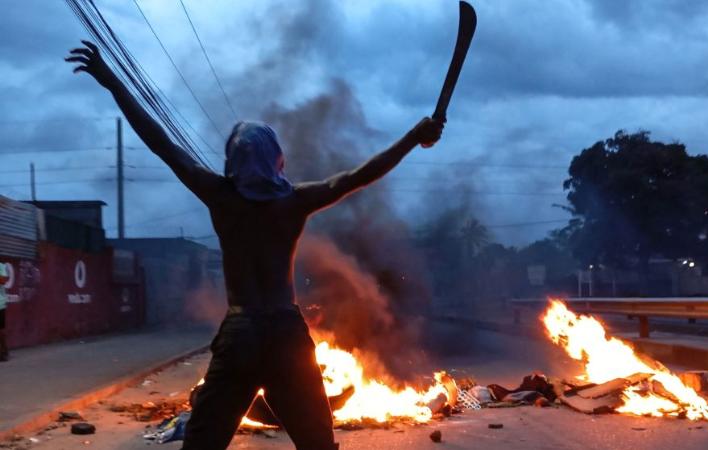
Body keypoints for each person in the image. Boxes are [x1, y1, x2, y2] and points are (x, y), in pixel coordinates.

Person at [66, 40, 444, 450]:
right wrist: (412, 136)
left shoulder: (221, 196)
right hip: (286, 333)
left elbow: (160, 143)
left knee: (202, 444)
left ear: (231, 160)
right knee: (318, 445)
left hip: (241, 335)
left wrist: (112, 82)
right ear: (277, 159)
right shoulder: (294, 201)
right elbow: (360, 175)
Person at [0, 261, 8, 362]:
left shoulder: (1, 266)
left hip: (0, 303)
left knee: (0, 330)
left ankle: (3, 352)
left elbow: (3, 280)